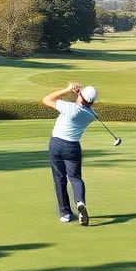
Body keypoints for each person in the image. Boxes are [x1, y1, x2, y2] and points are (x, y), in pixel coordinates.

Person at [42, 82, 99, 225]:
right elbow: (83, 105)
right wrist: (79, 96)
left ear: (80, 96)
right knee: (75, 178)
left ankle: (65, 213)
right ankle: (80, 203)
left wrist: (67, 90)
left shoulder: (70, 108)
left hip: (56, 144)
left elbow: (46, 99)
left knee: (59, 178)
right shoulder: (91, 114)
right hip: (73, 147)